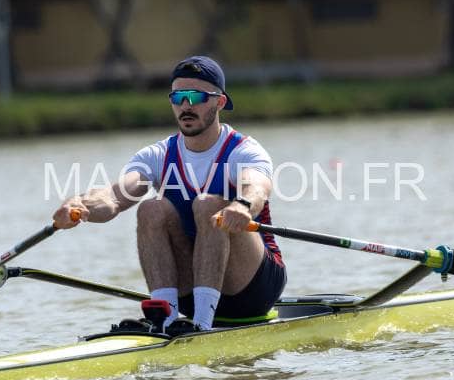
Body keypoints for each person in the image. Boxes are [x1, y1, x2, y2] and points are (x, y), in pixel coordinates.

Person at [53, 56, 286, 332]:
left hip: (252, 289)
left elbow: (257, 187)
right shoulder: (157, 155)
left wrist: (243, 205)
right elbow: (114, 197)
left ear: (220, 102)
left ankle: (201, 325)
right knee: (151, 208)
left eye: (196, 96)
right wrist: (79, 205)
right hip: (192, 284)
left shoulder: (244, 151)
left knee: (207, 205)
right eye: (177, 97)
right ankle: (165, 319)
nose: (186, 106)